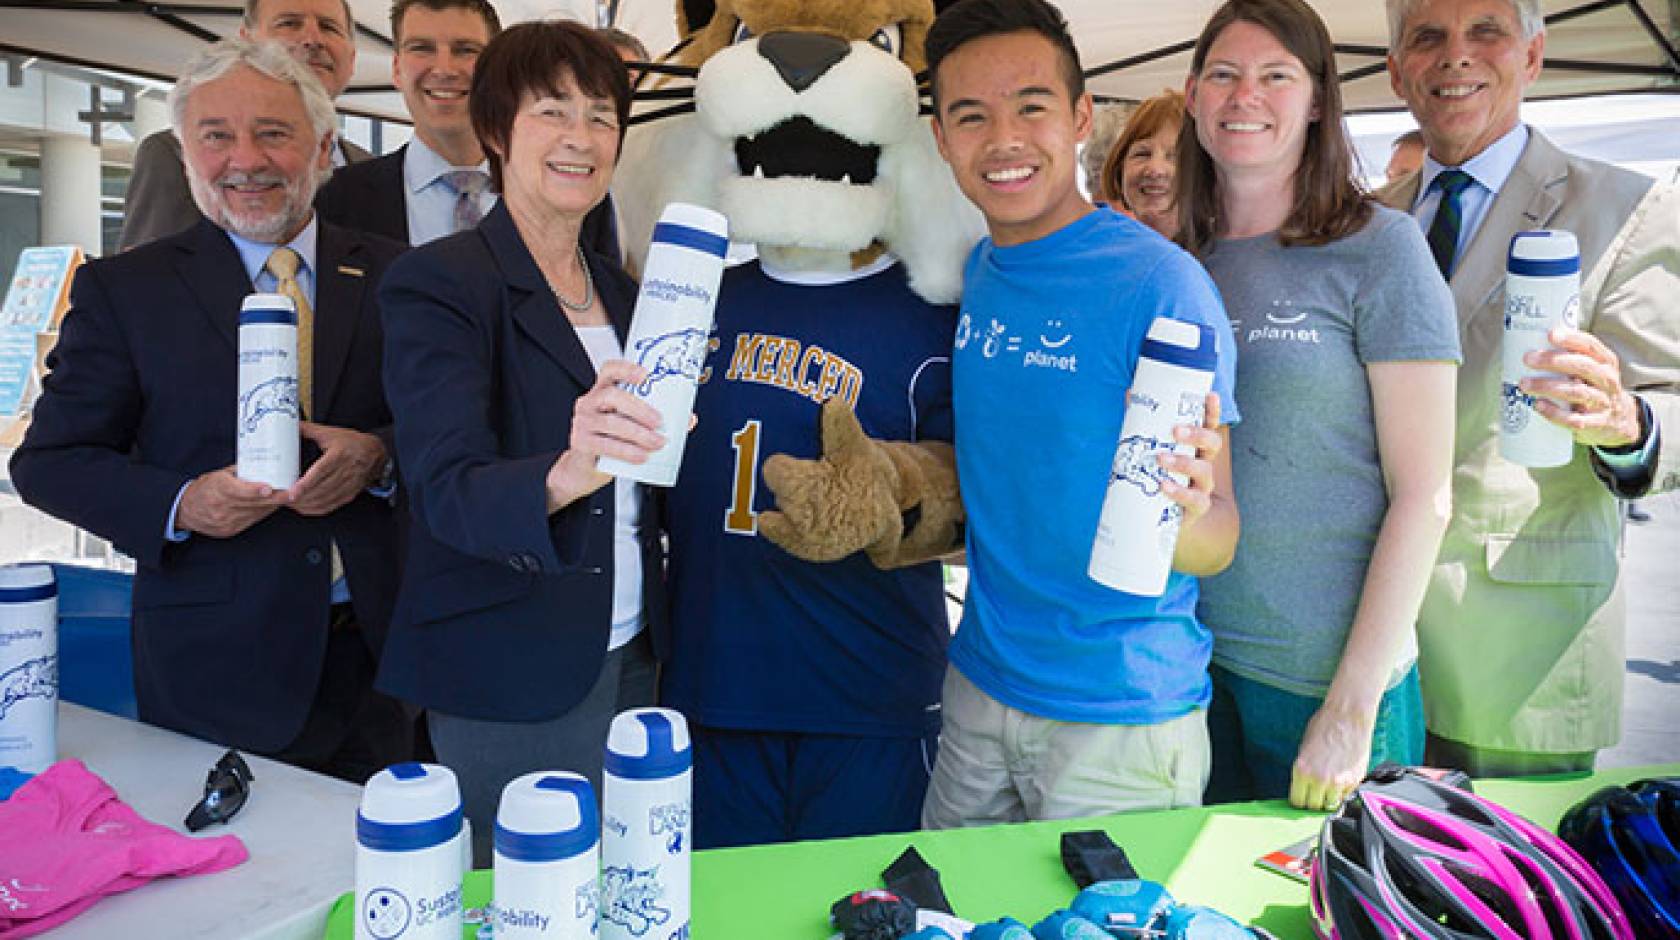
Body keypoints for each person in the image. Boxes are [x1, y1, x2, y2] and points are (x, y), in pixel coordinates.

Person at [10, 39, 408, 782]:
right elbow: (49, 464)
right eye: (216, 136)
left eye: (273, 133)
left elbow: (451, 429)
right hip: (216, 671)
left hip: (387, 663)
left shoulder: (402, 275)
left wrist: (379, 456)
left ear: (323, 149)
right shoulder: (126, 291)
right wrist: (183, 503)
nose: (244, 160)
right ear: (186, 154)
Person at [920, 0, 1241, 827]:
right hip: (979, 686)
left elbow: (1217, 542)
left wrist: (1192, 506)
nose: (1004, 139)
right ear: (942, 140)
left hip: (1122, 716)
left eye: (1031, 106)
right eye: (971, 116)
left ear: (1080, 119)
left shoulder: (1160, 285)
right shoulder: (979, 271)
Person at [376, 20, 658, 865]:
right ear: (497, 131)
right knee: (530, 900)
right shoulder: (439, 282)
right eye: (553, 112)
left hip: (641, 650)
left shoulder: (625, 288)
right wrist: (569, 471)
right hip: (510, 665)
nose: (582, 138)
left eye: (602, 116)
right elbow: (445, 486)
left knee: (634, 887)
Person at [1380, 0, 1680, 776]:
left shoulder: (1625, 207)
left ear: (1534, 56)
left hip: (1522, 655)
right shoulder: (1365, 220)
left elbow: (1672, 403)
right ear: (1395, 70)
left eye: (1486, 31)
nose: (1456, 57)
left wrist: (1626, 419)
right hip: (1366, 647)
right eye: (1427, 38)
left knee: (1510, 898)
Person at [1177, 0, 1460, 811]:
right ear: (1193, 95)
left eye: (1275, 76)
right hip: (1189, 667)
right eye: (1224, 75)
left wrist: (1351, 707)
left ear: (1317, 100)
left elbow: (1425, 495)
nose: (1245, 97)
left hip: (1322, 686)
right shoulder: (1174, 260)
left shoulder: (1381, 248)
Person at [121, 0, 372, 252]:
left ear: (352, 57)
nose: (312, 39)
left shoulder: (368, 166)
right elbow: (152, 277)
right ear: (247, 42)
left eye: (329, 27)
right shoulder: (170, 153)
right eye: (289, 23)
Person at [314, 0, 501, 246]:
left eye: (465, 50)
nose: (444, 69)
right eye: (422, 48)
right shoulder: (333, 200)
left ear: (497, 66)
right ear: (396, 69)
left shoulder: (547, 193)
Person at [1099, 90, 1185, 239]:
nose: (1154, 169)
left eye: (1174, 157)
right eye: (1142, 154)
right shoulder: (1107, 251)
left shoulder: (1223, 259)